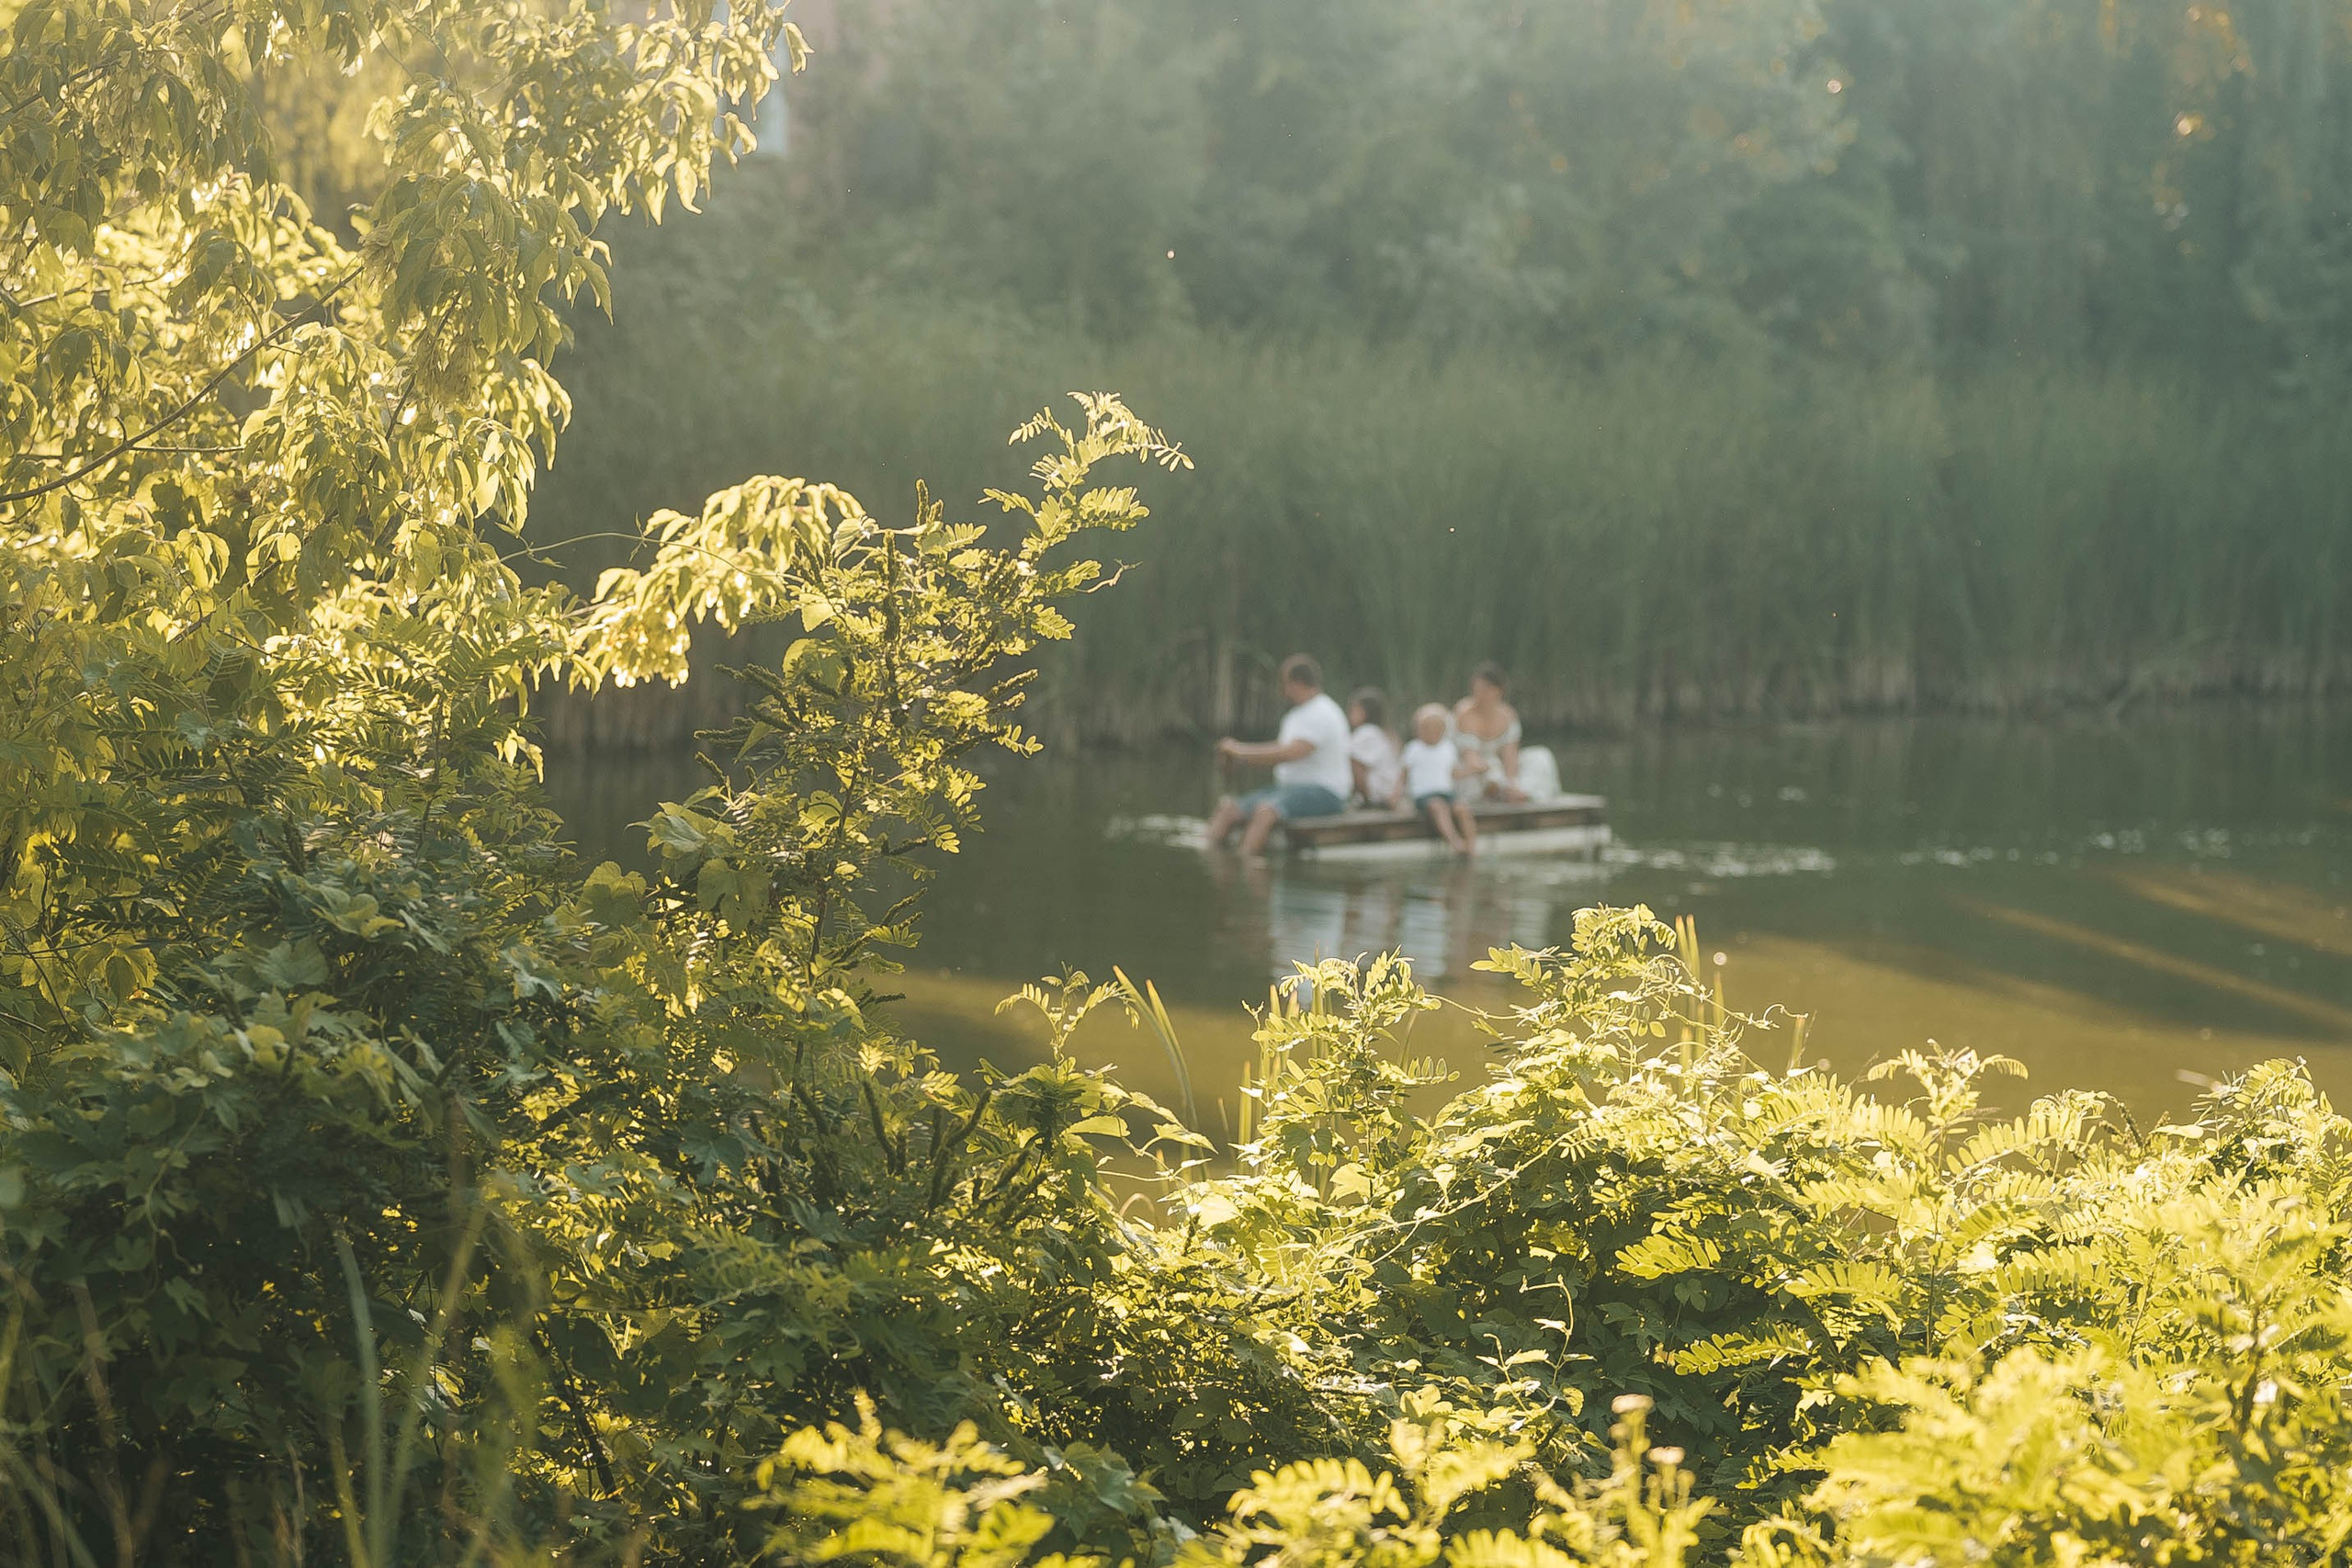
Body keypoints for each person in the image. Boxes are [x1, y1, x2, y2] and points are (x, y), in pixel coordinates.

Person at [1206, 653, 1352, 855]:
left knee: (1265, 811)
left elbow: (1292, 752)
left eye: (1284, 682)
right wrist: (1236, 757)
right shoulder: (1294, 716)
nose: (1281, 688)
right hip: (1290, 789)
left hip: (1325, 792)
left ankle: (1248, 866)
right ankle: (1208, 864)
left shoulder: (1322, 711)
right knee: (1228, 809)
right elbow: (1279, 751)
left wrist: (1239, 750)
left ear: (1297, 683)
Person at [1400, 702, 1482, 855]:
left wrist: (1473, 771)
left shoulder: (1447, 748)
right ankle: (1455, 843)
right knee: (1438, 807)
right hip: (1424, 795)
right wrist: (1398, 797)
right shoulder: (1413, 749)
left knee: (1462, 808)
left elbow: (1453, 773)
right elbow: (1403, 776)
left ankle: (1471, 847)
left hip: (1446, 792)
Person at [1453, 660, 1532, 803]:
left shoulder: (1508, 715)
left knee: (1540, 758)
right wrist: (1489, 770)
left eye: (1485, 690)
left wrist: (1511, 782)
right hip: (1469, 767)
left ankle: (1511, 791)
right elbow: (1471, 758)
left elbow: (1510, 755)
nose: (1480, 695)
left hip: (1495, 765)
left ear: (1499, 691)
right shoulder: (1464, 712)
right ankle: (1499, 792)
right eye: (1477, 690)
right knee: (1490, 771)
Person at [1345, 686, 1401, 809]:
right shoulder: (1384, 733)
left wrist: (1366, 798)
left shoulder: (1365, 733)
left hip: (1374, 797)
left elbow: (1356, 764)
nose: (1350, 714)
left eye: (1354, 710)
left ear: (1365, 712)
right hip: (1387, 793)